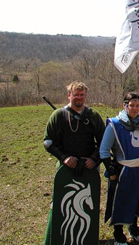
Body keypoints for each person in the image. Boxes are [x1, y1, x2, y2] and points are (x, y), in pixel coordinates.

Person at [43, 81, 106, 244]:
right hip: (65, 168)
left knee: (87, 208)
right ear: (69, 95)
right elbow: (48, 142)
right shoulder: (58, 115)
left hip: (89, 169)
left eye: (82, 94)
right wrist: (64, 157)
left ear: (85, 95)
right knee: (59, 204)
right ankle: (53, 239)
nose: (79, 97)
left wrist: (94, 159)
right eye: (75, 94)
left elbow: (104, 143)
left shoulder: (93, 116)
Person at [100, 92, 139, 245]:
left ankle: (133, 227)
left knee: (137, 198)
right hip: (123, 170)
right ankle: (118, 233)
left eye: (137, 106)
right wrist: (112, 173)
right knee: (120, 201)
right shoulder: (115, 124)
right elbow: (104, 150)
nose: (134, 108)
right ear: (124, 106)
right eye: (131, 105)